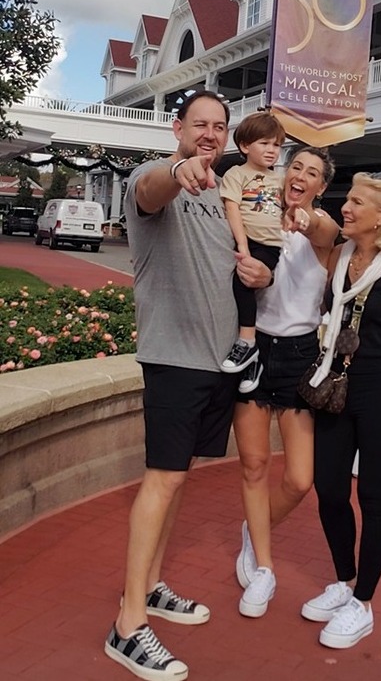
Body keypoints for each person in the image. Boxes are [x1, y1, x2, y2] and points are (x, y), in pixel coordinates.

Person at [104, 90, 266, 681]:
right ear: (178, 127)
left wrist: (259, 272)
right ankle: (126, 626)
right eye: (200, 124)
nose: (210, 134)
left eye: (219, 126)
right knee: (164, 478)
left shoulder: (224, 196)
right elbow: (152, 186)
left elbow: (240, 267)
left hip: (216, 364)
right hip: (173, 358)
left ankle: (147, 588)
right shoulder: (159, 178)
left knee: (179, 480)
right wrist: (179, 169)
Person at [300, 172, 381, 649]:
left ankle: (365, 603)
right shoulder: (340, 256)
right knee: (329, 489)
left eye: (357, 202)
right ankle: (343, 579)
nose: (347, 208)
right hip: (337, 389)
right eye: (347, 199)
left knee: (375, 498)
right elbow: (311, 226)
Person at [232, 146, 339, 619]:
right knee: (254, 466)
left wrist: (304, 217)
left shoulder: (322, 232)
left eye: (312, 173)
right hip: (254, 348)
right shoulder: (257, 214)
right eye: (295, 166)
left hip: (299, 356)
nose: (300, 175)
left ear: (321, 186)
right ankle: (264, 568)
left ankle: (253, 532)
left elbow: (327, 230)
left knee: (299, 479)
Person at [220, 112, 286, 395]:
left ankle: (247, 345)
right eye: (265, 143)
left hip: (274, 246)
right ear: (245, 146)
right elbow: (232, 208)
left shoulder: (281, 179)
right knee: (241, 288)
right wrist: (243, 246)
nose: (272, 150)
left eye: (276, 145)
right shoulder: (237, 174)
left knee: (252, 289)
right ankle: (249, 352)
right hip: (250, 243)